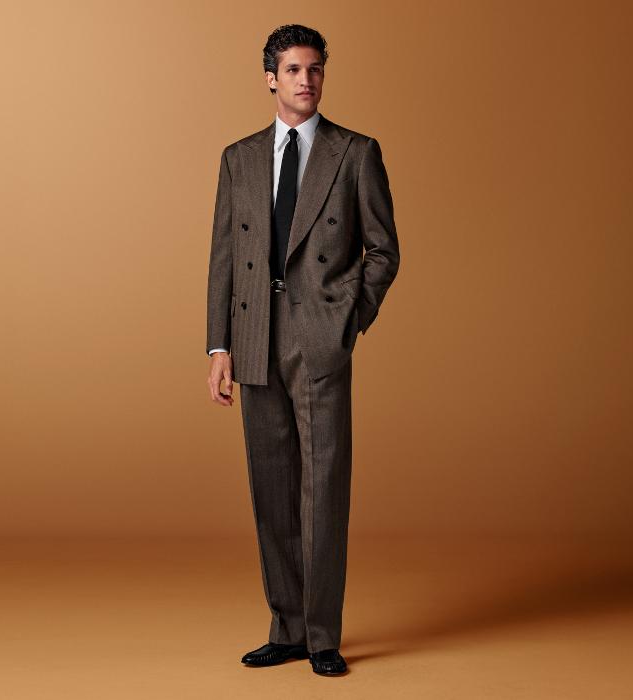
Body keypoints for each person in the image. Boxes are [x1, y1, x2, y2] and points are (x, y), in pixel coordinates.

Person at [206, 23, 399, 676]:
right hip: (254, 334)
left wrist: (345, 321)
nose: (306, 80)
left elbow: (384, 251)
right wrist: (218, 346)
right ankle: (285, 628)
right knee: (272, 488)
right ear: (271, 78)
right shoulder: (239, 158)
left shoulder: (355, 152)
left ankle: (321, 636)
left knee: (323, 489)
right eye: (293, 69)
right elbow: (224, 258)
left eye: (315, 69)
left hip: (319, 337)